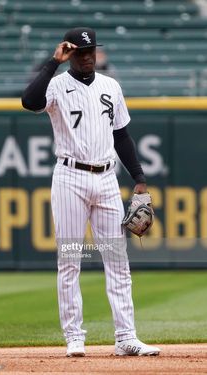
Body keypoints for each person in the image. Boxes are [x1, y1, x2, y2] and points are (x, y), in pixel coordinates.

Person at [22, 27, 160, 358]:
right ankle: (74, 336)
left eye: (90, 51)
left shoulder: (111, 86)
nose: (86, 56)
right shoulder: (56, 85)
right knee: (71, 257)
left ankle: (126, 336)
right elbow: (29, 101)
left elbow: (122, 136)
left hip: (106, 179)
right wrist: (52, 62)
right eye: (80, 52)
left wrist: (138, 177)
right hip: (69, 177)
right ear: (70, 54)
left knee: (117, 258)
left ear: (96, 53)